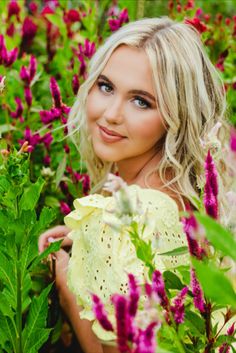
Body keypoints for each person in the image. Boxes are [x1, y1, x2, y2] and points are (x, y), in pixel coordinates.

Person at [38, 17, 230, 353]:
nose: (111, 113)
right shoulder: (190, 194)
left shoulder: (123, 222)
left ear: (176, 116)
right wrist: (86, 239)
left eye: (141, 101)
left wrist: (66, 282)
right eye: (106, 86)